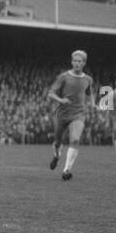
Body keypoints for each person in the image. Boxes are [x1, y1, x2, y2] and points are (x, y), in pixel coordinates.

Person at [47, 50, 95, 180]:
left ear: (84, 63)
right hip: (62, 114)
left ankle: (66, 170)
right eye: (75, 61)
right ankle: (57, 155)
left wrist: (93, 104)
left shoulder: (88, 79)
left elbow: (90, 94)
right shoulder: (64, 77)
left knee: (74, 139)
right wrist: (61, 100)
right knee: (57, 142)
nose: (77, 63)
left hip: (78, 114)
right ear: (71, 62)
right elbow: (50, 93)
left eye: (80, 61)